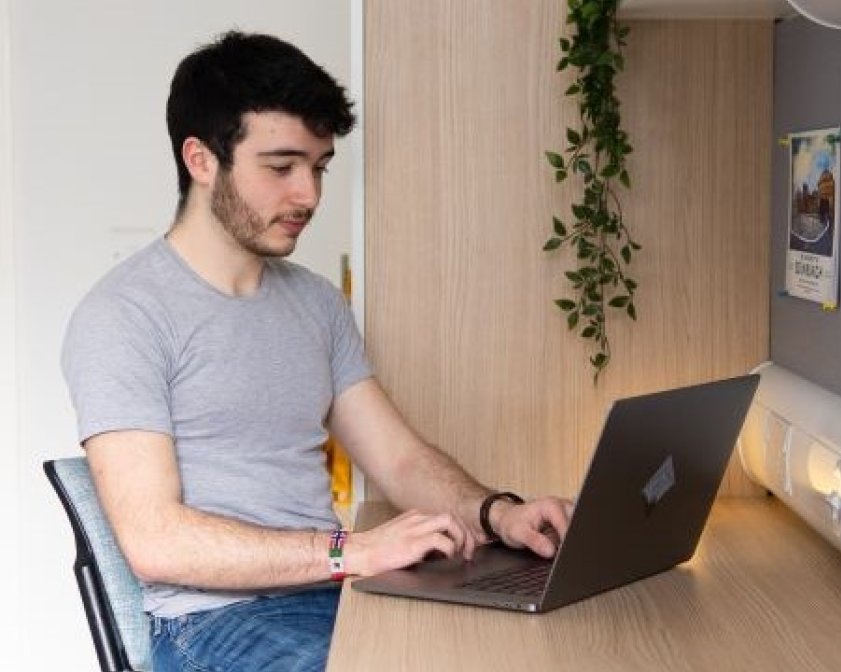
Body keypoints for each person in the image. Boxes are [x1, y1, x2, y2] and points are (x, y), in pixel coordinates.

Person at [60, 31, 572, 672]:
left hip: (340, 595)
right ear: (201, 160)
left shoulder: (316, 304)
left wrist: (500, 514)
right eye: (281, 167)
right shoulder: (124, 315)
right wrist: (349, 551)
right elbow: (155, 541)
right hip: (218, 623)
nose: (309, 195)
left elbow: (403, 460)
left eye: (319, 166)